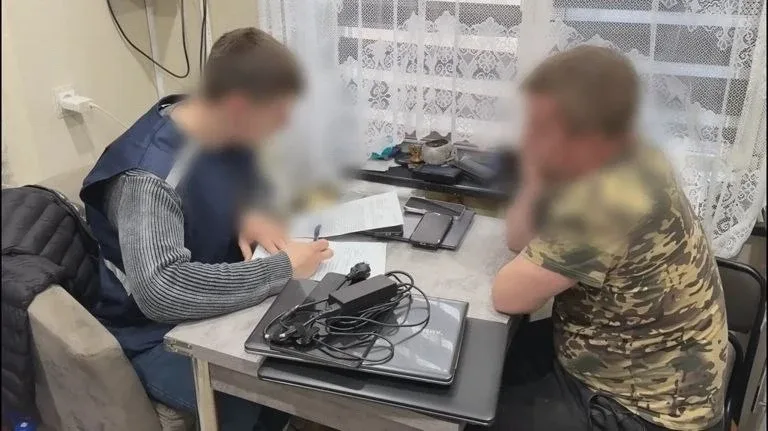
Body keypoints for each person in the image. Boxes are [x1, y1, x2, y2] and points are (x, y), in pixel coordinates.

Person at [79, 28, 333, 430]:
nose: (285, 125)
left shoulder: (222, 126)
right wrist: (282, 268)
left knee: (319, 352)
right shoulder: (148, 181)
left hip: (218, 307)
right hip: (155, 336)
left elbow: (234, 181)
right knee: (265, 396)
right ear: (237, 106)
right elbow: (162, 290)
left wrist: (247, 212)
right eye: (278, 114)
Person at [483, 46, 727, 431]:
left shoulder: (603, 199)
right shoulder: (632, 152)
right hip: (642, 362)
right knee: (484, 362)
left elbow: (508, 295)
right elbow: (518, 238)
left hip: (644, 410)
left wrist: (534, 167)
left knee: (472, 408)